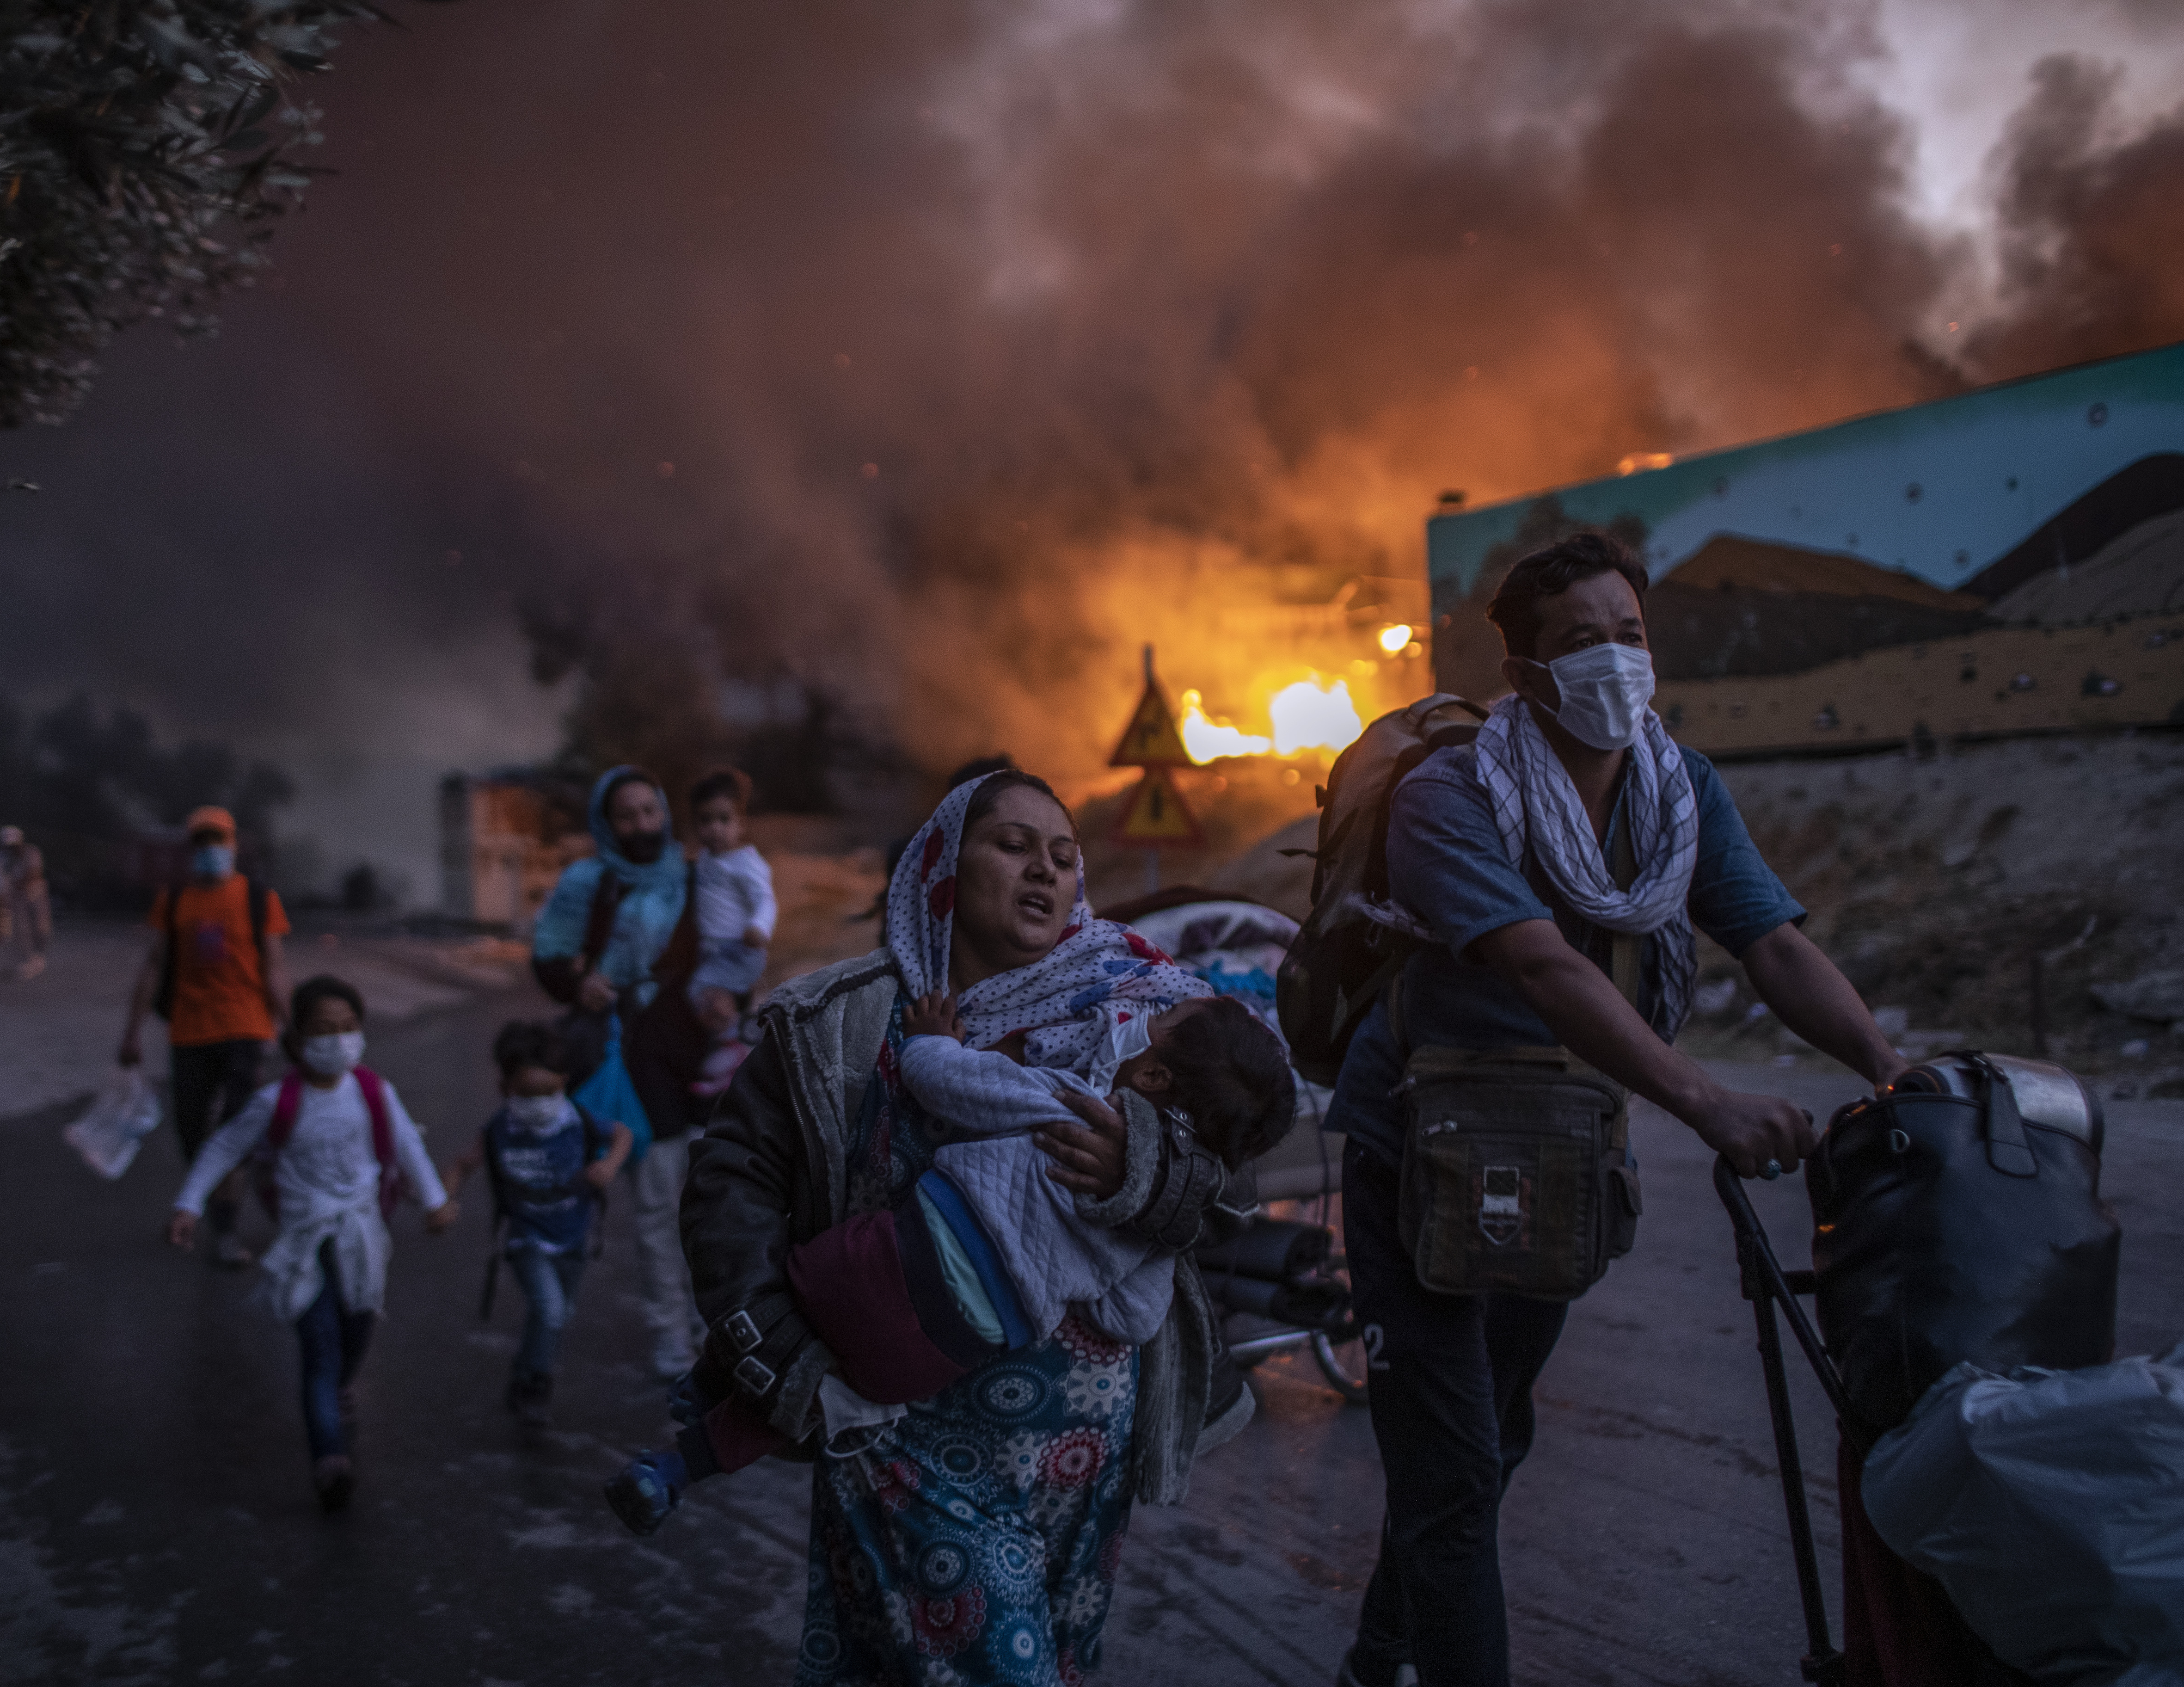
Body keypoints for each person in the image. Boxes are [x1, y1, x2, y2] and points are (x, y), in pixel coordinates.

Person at [1327, 533, 1908, 1687]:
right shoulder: (1446, 795)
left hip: (1555, 1158)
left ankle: (1373, 1659)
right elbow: (1543, 969)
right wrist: (1706, 1103)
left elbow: (1771, 943)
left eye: (1628, 635)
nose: (1613, 661)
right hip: (1419, 1155)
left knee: (1484, 1447)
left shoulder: (1677, 788)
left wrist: (1890, 1074)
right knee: (1451, 1476)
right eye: (1579, 641)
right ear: (1527, 673)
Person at [680, 770, 1246, 1684]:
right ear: (942, 864)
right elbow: (731, 1184)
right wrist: (789, 1361)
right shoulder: (845, 1020)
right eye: (1013, 845)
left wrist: (1146, 1172)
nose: (1045, 872)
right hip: (906, 1443)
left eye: (1064, 856)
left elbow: (1236, 1170)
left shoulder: (1144, 1011)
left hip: (1082, 1464)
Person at [607, 985, 1292, 1534]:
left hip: (885, 1258)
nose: (1144, 1010)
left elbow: (941, 1080)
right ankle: (671, 1472)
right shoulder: (1155, 1231)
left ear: (1150, 1072)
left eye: (1161, 1016)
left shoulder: (1072, 1106)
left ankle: (702, 1385)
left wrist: (936, 1037)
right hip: (944, 1350)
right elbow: (1134, 1318)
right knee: (813, 1400)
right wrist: (1129, 1247)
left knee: (790, 1296)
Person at [166, 975, 457, 1510]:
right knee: (320, 1345)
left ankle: (341, 1392)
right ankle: (329, 1458)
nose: (338, 1040)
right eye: (324, 1030)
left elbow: (408, 1145)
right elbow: (224, 1146)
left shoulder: (374, 1092)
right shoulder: (275, 1102)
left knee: (358, 1327)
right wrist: (188, 1203)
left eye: (349, 1028)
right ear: (297, 1040)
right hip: (305, 1245)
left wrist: (436, 1199)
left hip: (364, 1238)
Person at [529, 766, 711, 1379]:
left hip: (703, 1059)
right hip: (635, 1058)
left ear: (665, 812)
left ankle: (715, 1329)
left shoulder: (697, 874)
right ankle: (673, 1340)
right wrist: (581, 982)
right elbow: (549, 953)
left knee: (713, 1204)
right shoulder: (591, 882)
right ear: (607, 825)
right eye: (627, 815)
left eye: (649, 811)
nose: (642, 826)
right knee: (660, 1206)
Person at [440, 1018, 633, 1426]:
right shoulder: (499, 1130)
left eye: (550, 1091)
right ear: (506, 1089)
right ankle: (536, 1385)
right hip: (526, 1239)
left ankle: (524, 1373)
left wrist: (608, 1168)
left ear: (563, 1081)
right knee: (550, 1311)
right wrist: (444, 1200)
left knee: (557, 1314)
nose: (541, 1103)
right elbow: (463, 1163)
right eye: (528, 1094)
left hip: (575, 1239)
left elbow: (622, 1135)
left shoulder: (577, 1120)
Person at [121, 806, 289, 1268]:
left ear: (233, 844)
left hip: (245, 1028)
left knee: (234, 1132)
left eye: (218, 839)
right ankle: (213, 1202)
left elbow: (274, 969)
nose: (211, 849)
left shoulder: (257, 898)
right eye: (201, 841)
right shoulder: (175, 900)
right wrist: (132, 1032)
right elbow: (154, 965)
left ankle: (226, 1231)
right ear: (191, 849)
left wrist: (293, 1028)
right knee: (192, 1132)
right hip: (190, 1031)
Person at [685, 766, 777, 1098]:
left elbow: (765, 899)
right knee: (705, 998)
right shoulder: (707, 859)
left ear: (741, 823)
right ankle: (730, 1058)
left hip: (740, 948)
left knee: (707, 997)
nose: (715, 829)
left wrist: (759, 926)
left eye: (724, 820)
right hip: (717, 950)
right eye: (706, 821)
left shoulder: (746, 863)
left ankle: (735, 1057)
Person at [0, 825, 51, 979]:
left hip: (36, 894)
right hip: (17, 898)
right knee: (22, 931)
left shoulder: (32, 852)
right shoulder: (0, 858)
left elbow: (35, 873)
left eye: (14, 845)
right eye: (8, 846)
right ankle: (27, 961)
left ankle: (38, 958)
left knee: (42, 928)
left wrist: (15, 882)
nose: (12, 849)